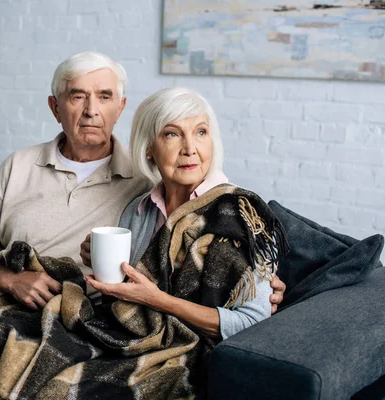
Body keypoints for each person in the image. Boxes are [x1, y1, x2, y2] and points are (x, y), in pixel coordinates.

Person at [0, 51, 285, 312]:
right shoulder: (18, 166)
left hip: (78, 311)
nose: (92, 110)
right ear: (55, 107)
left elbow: (210, 212)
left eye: (105, 97)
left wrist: (254, 280)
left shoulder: (148, 178)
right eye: (78, 96)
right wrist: (11, 280)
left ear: (120, 108)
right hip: (3, 298)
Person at [81, 87, 283, 340]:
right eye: (172, 134)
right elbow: (124, 300)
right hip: (137, 338)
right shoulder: (139, 211)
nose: (190, 148)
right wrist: (102, 265)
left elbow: (252, 322)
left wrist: (160, 301)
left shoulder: (241, 214)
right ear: (148, 148)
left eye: (200, 132)